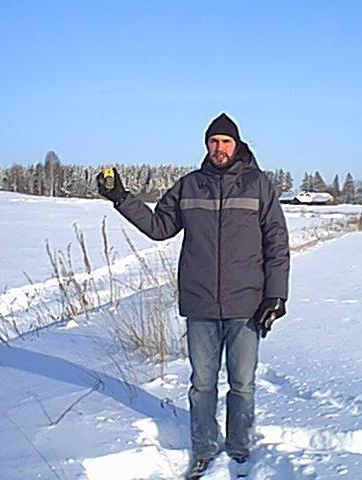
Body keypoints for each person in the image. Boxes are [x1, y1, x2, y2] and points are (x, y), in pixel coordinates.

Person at [97, 113, 290, 478]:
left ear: (238, 145)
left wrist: (275, 295)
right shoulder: (190, 186)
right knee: (202, 384)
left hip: (246, 304)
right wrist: (121, 198)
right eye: (213, 142)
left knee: (242, 383)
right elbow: (159, 227)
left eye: (226, 142)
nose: (219, 148)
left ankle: (239, 448)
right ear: (206, 146)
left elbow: (277, 243)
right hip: (200, 302)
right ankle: (203, 449)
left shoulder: (258, 186)